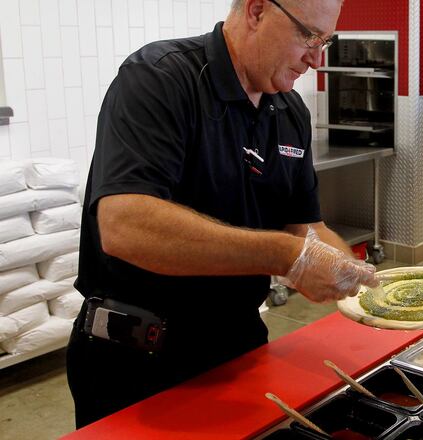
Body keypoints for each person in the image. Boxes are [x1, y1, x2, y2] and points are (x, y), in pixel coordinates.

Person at [66, 0, 377, 428]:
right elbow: (125, 226)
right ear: (255, 12)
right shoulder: (160, 78)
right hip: (137, 361)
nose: (316, 59)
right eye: (308, 36)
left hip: (239, 350)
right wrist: (288, 255)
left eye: (325, 41)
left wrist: (362, 283)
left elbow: (304, 227)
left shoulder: (289, 112)